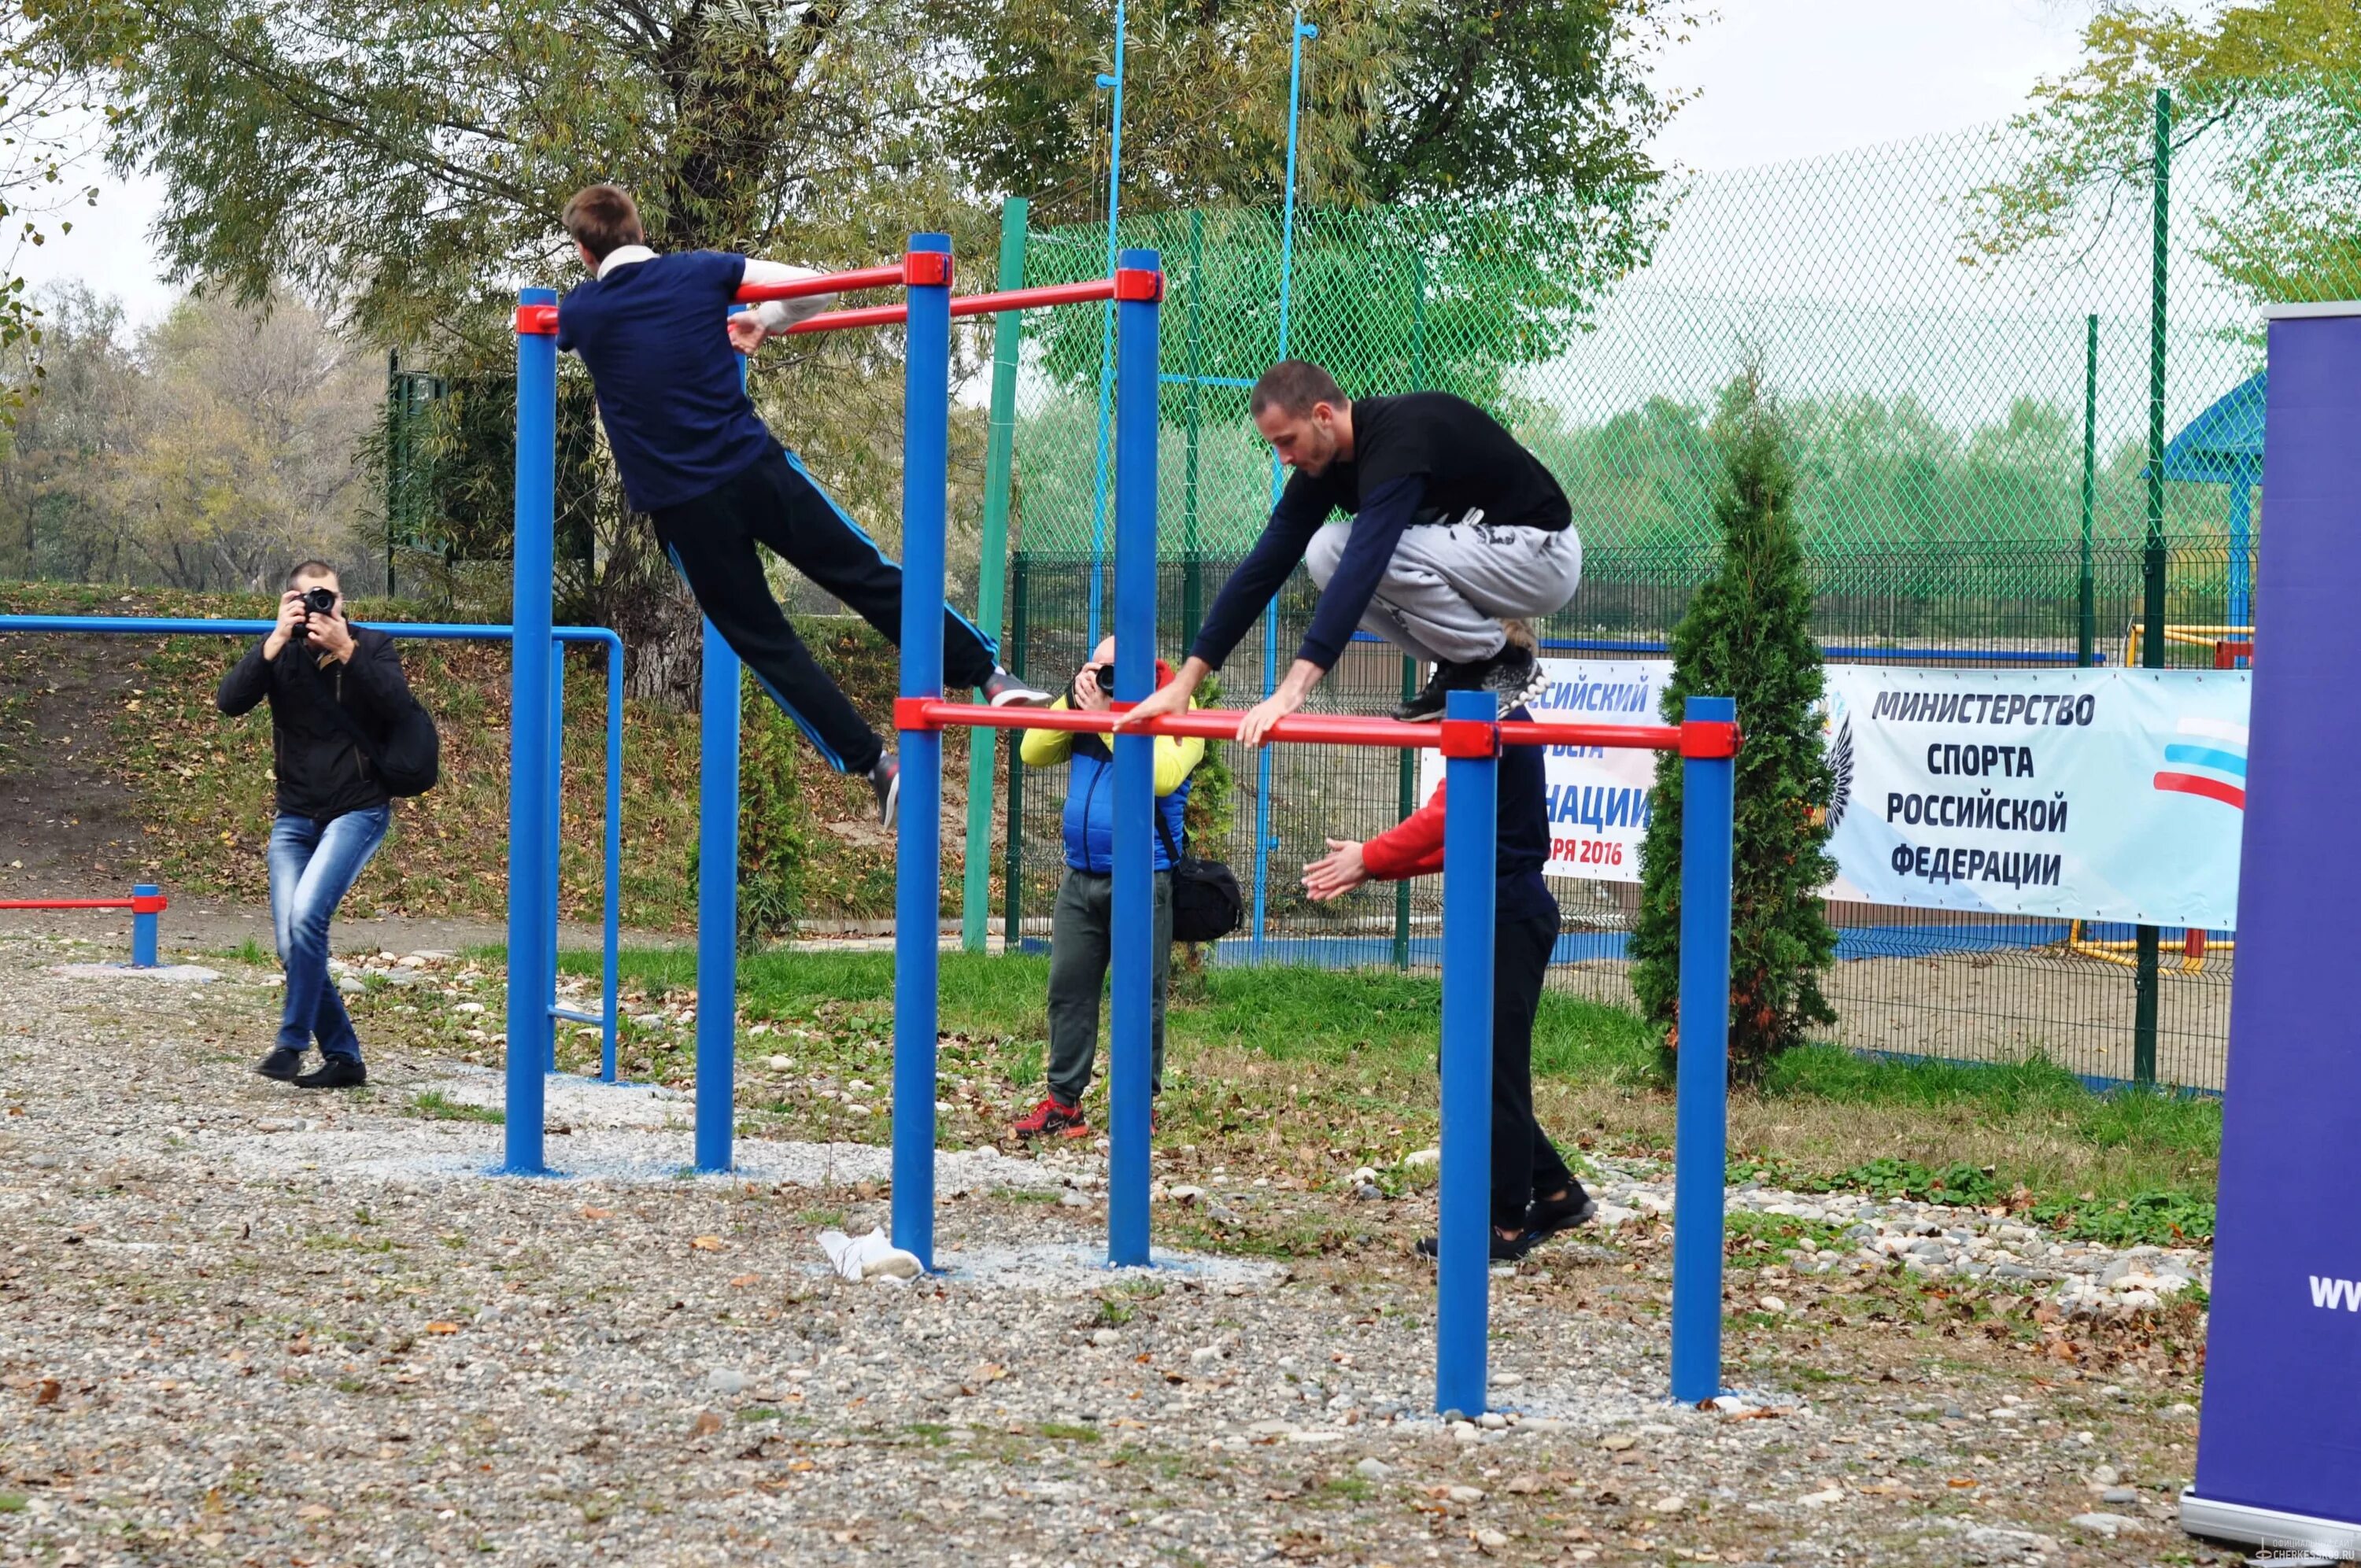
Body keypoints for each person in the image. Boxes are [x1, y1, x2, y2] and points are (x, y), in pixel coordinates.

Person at [553, 183, 1049, 827]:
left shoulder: (584, 311)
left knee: (765, 641)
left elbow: (542, 328)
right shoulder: (704, 270)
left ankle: (876, 762)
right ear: (639, 230)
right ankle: (990, 675)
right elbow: (820, 285)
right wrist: (766, 319)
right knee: (863, 572)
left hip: (684, 510)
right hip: (754, 468)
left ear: (583, 252)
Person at [1119, 360, 1581, 747]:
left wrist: (1289, 694)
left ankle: (1498, 659)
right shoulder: (1325, 468)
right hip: (1485, 562)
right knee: (1323, 554)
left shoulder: (1399, 438)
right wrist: (1185, 683)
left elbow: (1363, 567)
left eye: (1286, 441)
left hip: (1540, 553)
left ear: (1323, 414)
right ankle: (1469, 661)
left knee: (1349, 551)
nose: (1282, 458)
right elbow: (1263, 568)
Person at [1301, 707, 1595, 1258]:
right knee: (1467, 1065)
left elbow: (1442, 818)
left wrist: (1369, 855)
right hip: (1500, 910)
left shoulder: (1498, 724)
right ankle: (1555, 1191)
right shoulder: (1497, 720)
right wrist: (1373, 864)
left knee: (1492, 1071)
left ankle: (1506, 1226)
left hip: (1509, 913)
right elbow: (1457, 831)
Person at [216, 561, 414, 1089]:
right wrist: (275, 638)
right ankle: (345, 1058)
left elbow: (400, 709)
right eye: (309, 599)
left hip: (358, 808)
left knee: (306, 918)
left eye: (329, 598)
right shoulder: (281, 654)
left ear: (344, 601)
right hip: (295, 816)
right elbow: (229, 700)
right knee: (291, 942)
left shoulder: (371, 647)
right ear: (292, 602)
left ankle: (291, 1042)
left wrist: (347, 650)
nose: (321, 608)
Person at [1009, 640, 1205, 1139]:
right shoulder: (1086, 702)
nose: (1105, 680)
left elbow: (1161, 776)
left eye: (1114, 671)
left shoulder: (1179, 702)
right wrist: (1072, 701)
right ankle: (1063, 1103)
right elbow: (1032, 750)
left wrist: (1109, 718)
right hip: (1081, 875)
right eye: (1099, 670)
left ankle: (1139, 1106)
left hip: (1142, 876)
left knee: (1142, 996)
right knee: (1068, 992)